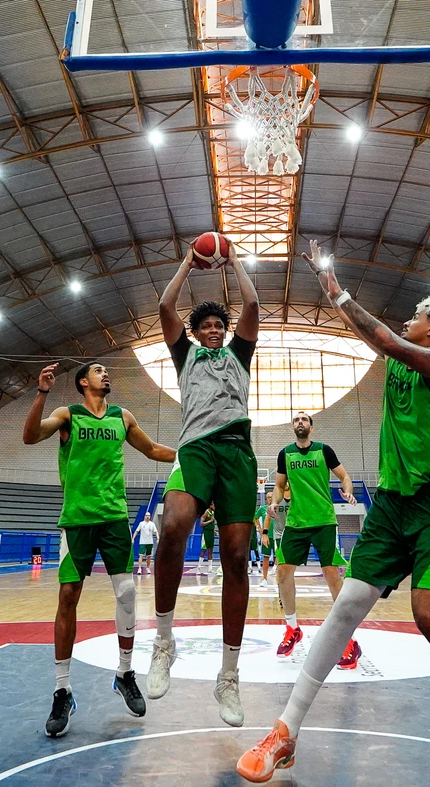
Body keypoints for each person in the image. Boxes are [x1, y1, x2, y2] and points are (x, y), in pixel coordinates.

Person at [238, 241, 430, 787]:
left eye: (417, 316)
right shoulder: (398, 364)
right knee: (346, 606)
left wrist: (337, 292)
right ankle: (285, 730)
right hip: (393, 505)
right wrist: (341, 307)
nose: (408, 319)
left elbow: (382, 337)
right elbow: (377, 341)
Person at [22, 361, 176, 737]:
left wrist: (193, 455)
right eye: (98, 370)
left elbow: (153, 449)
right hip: (77, 519)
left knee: (126, 593)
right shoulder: (67, 414)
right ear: (82, 382)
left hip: (114, 518)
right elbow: (29, 436)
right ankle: (62, 690)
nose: (106, 374)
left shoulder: (122, 417)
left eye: (108, 370)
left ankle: (125, 673)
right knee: (68, 597)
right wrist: (42, 392)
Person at [150, 242, 260, 727]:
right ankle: (164, 642)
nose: (214, 330)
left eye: (219, 325)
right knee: (174, 524)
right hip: (196, 447)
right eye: (207, 326)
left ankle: (229, 676)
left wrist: (234, 261)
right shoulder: (185, 357)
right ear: (195, 334)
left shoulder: (239, 352)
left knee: (237, 555)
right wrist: (189, 264)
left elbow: (253, 306)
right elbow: (163, 308)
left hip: (238, 451)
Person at [270, 411, 361, 668]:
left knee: (332, 575)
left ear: (312, 427)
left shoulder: (324, 450)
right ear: (293, 427)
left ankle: (349, 641)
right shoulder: (284, 454)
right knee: (283, 572)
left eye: (304, 420)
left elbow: (345, 476)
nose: (300, 423)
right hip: (297, 522)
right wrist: (275, 503)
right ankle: (292, 629)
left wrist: (347, 490)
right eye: (296, 420)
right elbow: (279, 486)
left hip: (323, 521)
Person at [197, 504, 217, 573]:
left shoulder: (213, 513)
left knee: (210, 550)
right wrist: (210, 521)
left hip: (211, 532)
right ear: (210, 505)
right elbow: (201, 523)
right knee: (204, 550)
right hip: (206, 533)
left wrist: (213, 530)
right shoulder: (206, 512)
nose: (214, 507)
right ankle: (199, 568)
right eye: (213, 505)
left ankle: (210, 569)